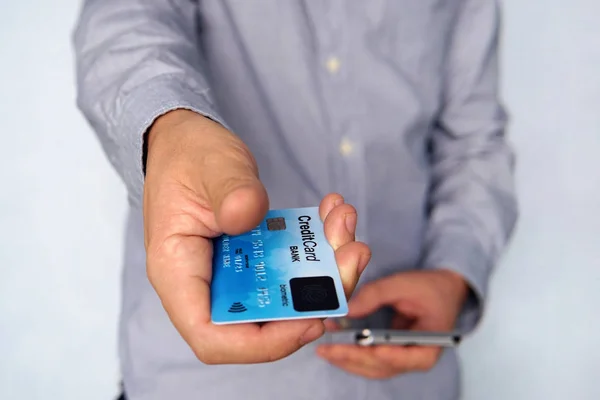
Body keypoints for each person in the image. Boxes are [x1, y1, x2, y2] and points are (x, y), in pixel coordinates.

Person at [73, 1, 518, 399]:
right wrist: (170, 128)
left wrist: (456, 275)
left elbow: (473, 144)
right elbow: (125, 27)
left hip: (409, 382)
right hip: (206, 386)